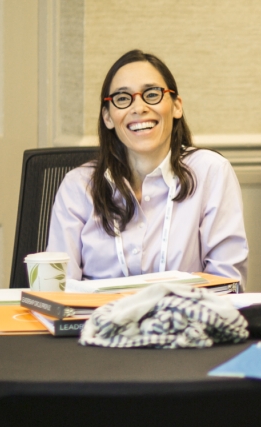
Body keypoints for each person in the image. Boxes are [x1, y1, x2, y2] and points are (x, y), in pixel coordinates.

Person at [47, 50, 249, 283]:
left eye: (152, 94)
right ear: (108, 117)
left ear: (176, 107)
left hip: (187, 318)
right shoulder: (78, 186)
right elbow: (58, 289)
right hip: (97, 318)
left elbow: (227, 282)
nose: (139, 107)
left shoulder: (211, 172)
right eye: (123, 99)